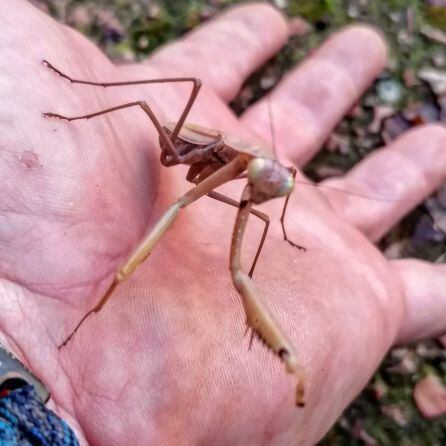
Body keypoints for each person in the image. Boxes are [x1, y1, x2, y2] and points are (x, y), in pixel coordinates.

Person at [1, 1, 445, 444]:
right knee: (159, 127)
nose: (265, 198)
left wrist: (283, 224)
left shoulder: (258, 179)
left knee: (252, 241)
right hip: (176, 145)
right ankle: (92, 310)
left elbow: (265, 209)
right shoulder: (227, 157)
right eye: (265, 185)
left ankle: (285, 359)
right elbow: (167, 136)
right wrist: (78, 90)